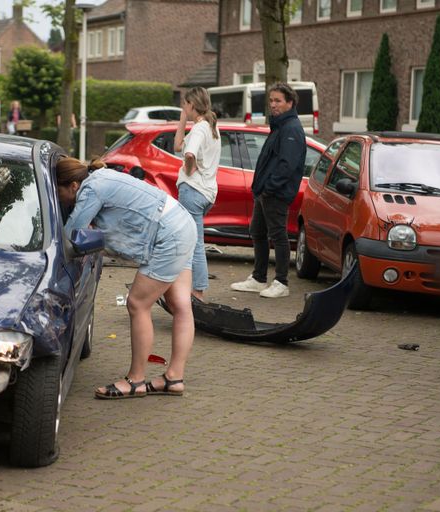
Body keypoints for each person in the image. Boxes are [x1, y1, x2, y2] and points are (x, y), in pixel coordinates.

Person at [58, 156, 197, 400]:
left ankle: (135, 380)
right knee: (181, 306)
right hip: (182, 223)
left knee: (137, 303)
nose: (60, 200)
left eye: (59, 193)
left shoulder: (91, 189)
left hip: (168, 235)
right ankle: (174, 378)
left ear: (73, 186)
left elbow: (72, 235)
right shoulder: (99, 177)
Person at [230, 82, 307, 298]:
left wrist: (269, 188)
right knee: (258, 232)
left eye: (278, 101)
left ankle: (281, 282)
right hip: (265, 192)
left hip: (275, 194)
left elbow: (287, 165)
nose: (273, 105)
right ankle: (258, 278)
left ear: (289, 103)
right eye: (271, 100)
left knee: (278, 235)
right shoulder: (280, 126)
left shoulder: (291, 128)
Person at [174, 87, 220, 301]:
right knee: (192, 240)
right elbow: (177, 146)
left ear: (192, 104)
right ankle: (191, 287)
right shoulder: (210, 127)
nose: (184, 107)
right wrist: (183, 120)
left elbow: (189, 153)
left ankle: (198, 291)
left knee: (194, 242)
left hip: (192, 191)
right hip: (207, 191)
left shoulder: (200, 128)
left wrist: (188, 168)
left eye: (185, 105)